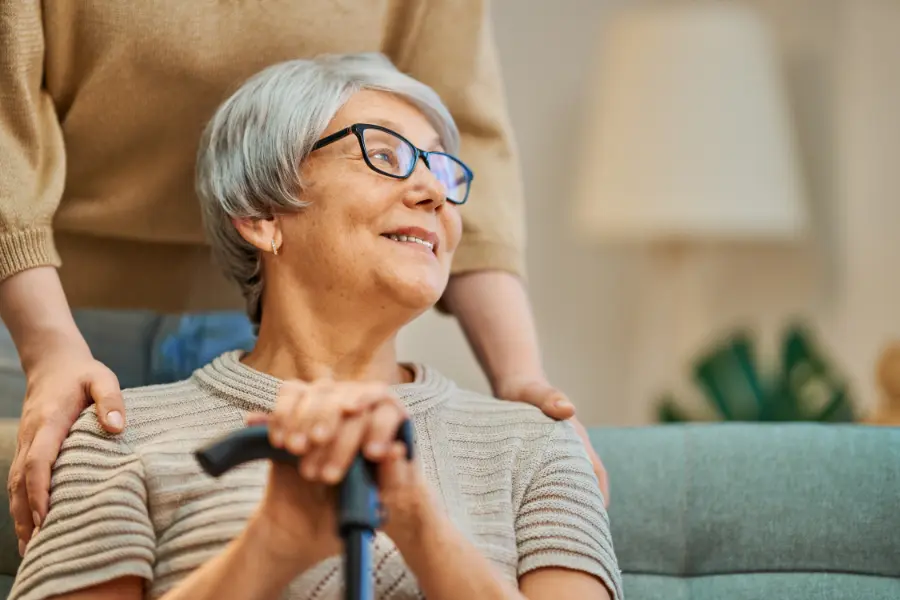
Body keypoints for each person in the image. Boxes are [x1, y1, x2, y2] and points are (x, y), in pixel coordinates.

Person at [0, 0, 609, 555]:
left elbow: (470, 131)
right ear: (262, 216)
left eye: (441, 171)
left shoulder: (529, 451)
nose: (431, 192)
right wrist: (48, 346)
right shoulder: (102, 445)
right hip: (50, 302)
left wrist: (520, 375)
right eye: (385, 155)